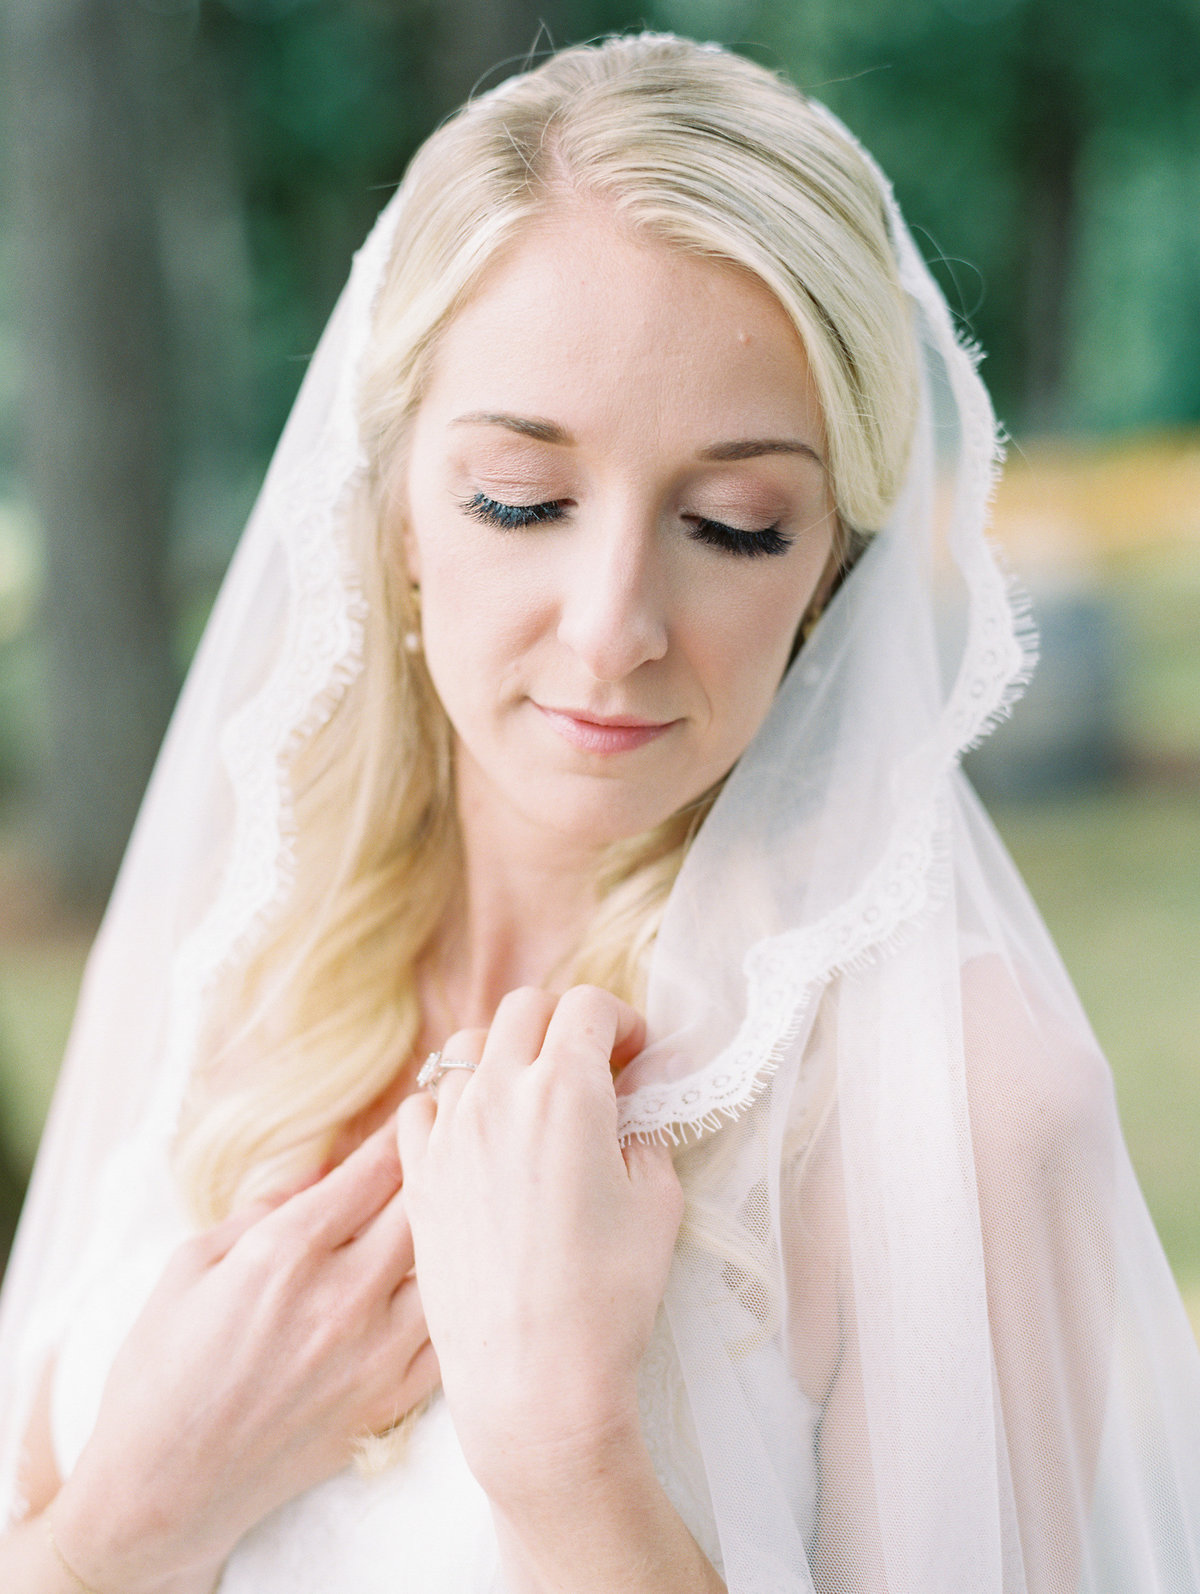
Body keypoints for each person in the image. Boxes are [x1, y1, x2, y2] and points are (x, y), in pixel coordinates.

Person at [1, 31, 1199, 1594]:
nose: (612, 623)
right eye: (522, 497)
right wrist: (133, 1519)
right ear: (400, 508)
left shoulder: (960, 1099)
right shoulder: (229, 950)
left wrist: (569, 1455)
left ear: (830, 566)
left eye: (732, 523)